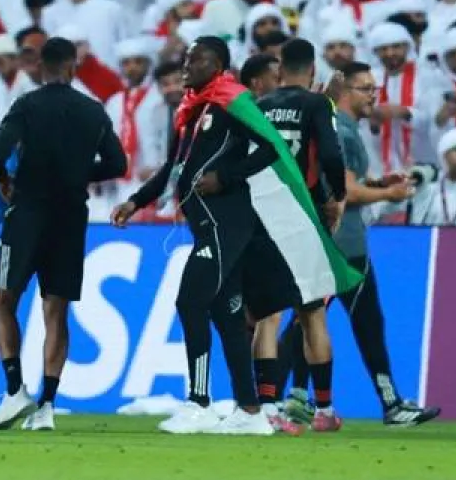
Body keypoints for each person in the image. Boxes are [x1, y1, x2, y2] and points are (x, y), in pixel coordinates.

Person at [112, 37, 359, 436]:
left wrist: (227, 176)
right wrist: (136, 200)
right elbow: (174, 167)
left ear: (220, 66)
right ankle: (251, 411)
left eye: (198, 60)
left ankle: (199, 402)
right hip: (206, 223)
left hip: (228, 224)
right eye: (187, 59)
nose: (187, 66)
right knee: (227, 316)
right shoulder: (190, 109)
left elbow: (273, 147)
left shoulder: (234, 100)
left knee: (190, 301)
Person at [278, 59, 438, 427]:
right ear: (346, 91)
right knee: (348, 322)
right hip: (344, 245)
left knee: (315, 320)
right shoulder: (344, 131)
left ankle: (296, 398)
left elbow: (342, 181)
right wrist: (389, 193)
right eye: (366, 89)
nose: (373, 97)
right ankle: (387, 403)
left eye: (375, 89)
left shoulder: (334, 126)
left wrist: (380, 184)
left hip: (325, 239)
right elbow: (346, 191)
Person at [0, 36, 129, 433]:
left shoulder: (27, 105)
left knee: (4, 299)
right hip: (70, 218)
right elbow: (118, 162)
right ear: (71, 68)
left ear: (41, 67)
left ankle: (15, 390)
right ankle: (47, 404)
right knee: (56, 310)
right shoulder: (92, 110)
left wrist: (3, 179)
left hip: (27, 213)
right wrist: (80, 173)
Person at [253, 38, 345, 432]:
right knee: (312, 314)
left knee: (268, 317)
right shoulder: (316, 104)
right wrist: (336, 195)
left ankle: (269, 409)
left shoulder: (260, 106)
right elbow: (329, 153)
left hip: (264, 215)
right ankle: (323, 411)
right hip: (304, 216)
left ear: (279, 70)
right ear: (311, 71)